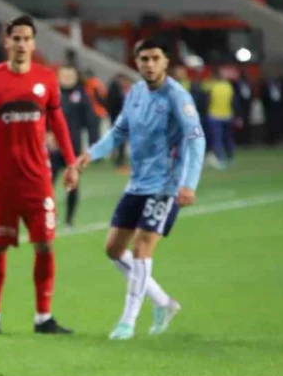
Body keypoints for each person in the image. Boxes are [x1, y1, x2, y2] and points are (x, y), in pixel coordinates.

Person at [0, 15, 80, 336]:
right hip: (1, 182)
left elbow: (59, 123)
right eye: (16, 39)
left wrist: (70, 162)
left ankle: (44, 318)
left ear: (33, 43)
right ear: (7, 42)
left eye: (27, 39)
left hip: (37, 179)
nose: (22, 44)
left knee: (45, 245)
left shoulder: (46, 79)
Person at [77, 37, 205, 340]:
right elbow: (120, 131)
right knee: (113, 250)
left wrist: (189, 183)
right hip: (137, 183)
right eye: (143, 59)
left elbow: (196, 139)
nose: (148, 64)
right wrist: (91, 153)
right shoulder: (134, 93)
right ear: (136, 62)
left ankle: (128, 322)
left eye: (154, 58)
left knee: (142, 246)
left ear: (165, 62)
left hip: (166, 185)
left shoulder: (177, 96)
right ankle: (163, 302)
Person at [53, 64, 96, 229]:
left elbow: (91, 122)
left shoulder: (82, 95)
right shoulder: (52, 94)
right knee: (46, 183)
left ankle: (69, 220)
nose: (67, 79)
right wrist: (46, 134)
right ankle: (51, 215)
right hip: (53, 148)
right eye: (64, 75)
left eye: (70, 76)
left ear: (76, 77)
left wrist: (92, 147)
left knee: (72, 183)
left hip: (73, 148)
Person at [204, 69, 235, 168]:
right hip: (227, 115)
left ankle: (219, 159)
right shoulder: (228, 86)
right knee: (228, 138)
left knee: (217, 139)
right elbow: (233, 101)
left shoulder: (211, 86)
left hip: (214, 116)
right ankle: (231, 158)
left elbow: (207, 100)